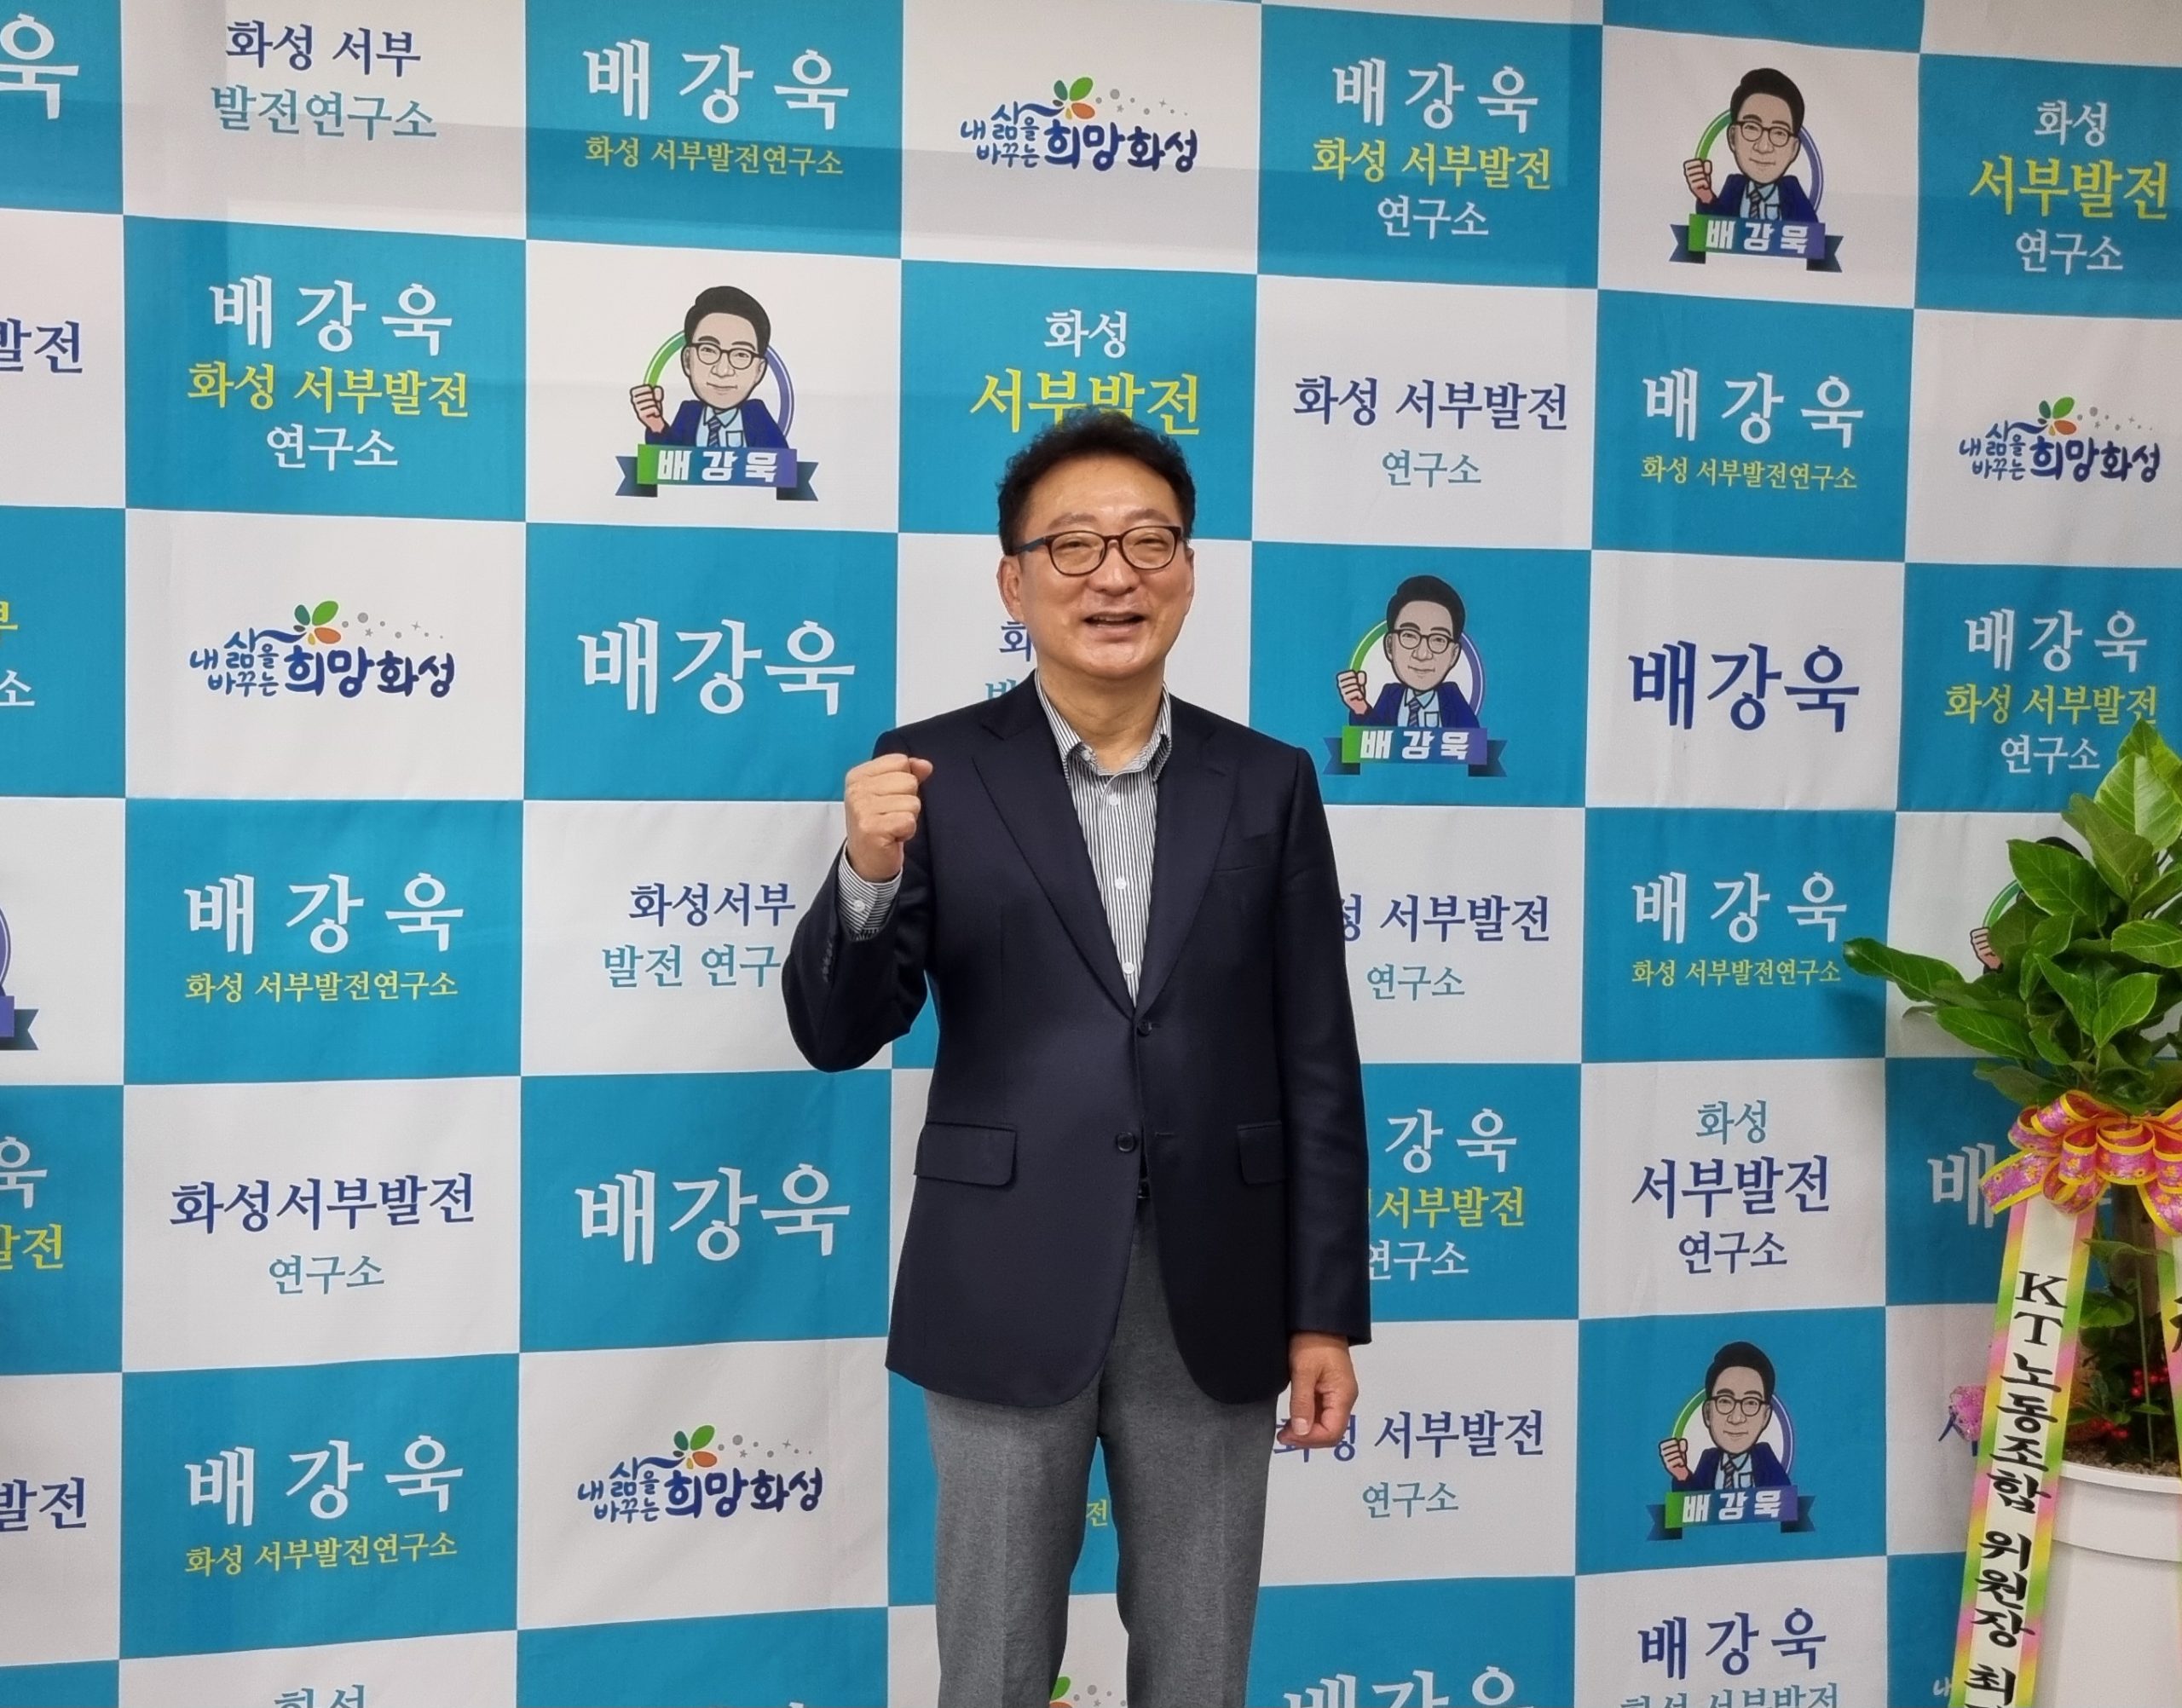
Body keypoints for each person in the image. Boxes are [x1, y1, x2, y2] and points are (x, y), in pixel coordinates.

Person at [782, 412, 1371, 1708]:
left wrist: (1324, 1309)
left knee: (1201, 1664)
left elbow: (1318, 1062)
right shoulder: (930, 772)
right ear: (1015, 582)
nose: (1115, 575)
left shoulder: (1267, 782)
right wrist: (866, 870)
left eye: (1149, 542)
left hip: (1216, 1283)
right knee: (992, 1664)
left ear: (1189, 569)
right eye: (1074, 547)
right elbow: (837, 1031)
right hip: (1003, 1276)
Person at [629, 285, 788, 449]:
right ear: (687, 359)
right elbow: (669, 457)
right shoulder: (688, 414)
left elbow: (782, 462)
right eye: (708, 350)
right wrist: (656, 424)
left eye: (741, 354)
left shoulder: (756, 416)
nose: (722, 371)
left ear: (759, 370)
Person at [1336, 573, 1481, 730]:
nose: (1422, 654)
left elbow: (1474, 741)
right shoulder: (1390, 696)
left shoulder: (1452, 699)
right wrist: (1360, 707)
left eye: (1438, 639)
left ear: (1454, 654)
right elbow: (1371, 738)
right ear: (1390, 645)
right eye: (1410, 636)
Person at [1683, 68, 1818, 225]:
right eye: (1752, 127)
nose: (1764, 147)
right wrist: (1706, 196)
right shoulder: (1734, 187)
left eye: (1779, 133)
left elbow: (1812, 236)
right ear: (1733, 137)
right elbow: (1715, 229)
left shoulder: (1793, 193)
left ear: (1794, 149)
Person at [1659, 1342, 1792, 1492]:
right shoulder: (1709, 1460)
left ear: (1765, 1416)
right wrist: (1682, 1474)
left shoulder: (1765, 1459)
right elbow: (1694, 1501)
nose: (1736, 1418)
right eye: (1725, 1401)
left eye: (1750, 1403)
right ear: (1708, 1412)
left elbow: (1787, 1502)